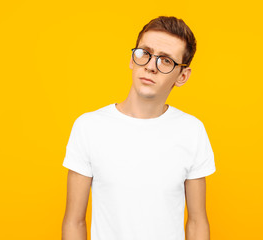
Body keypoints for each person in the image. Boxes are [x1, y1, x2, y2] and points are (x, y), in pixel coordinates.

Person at [62, 16, 216, 240]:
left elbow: (197, 221)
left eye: (166, 60)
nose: (151, 66)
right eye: (145, 53)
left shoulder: (192, 131)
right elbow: (74, 221)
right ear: (133, 60)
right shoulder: (89, 127)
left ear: (182, 76)